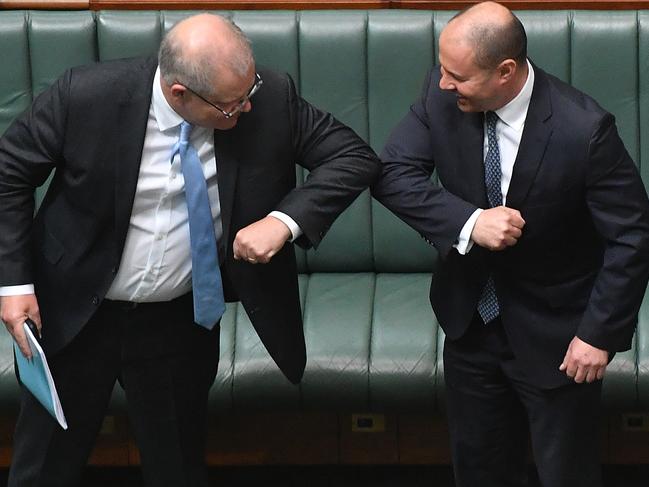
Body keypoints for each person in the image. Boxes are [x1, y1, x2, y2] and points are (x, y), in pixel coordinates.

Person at [0, 13, 380, 487]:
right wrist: (14, 284)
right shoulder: (86, 94)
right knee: (44, 469)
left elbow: (354, 157)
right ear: (179, 93)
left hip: (177, 323)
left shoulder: (268, 99)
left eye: (249, 91)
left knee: (176, 468)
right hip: (73, 311)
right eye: (229, 105)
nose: (244, 110)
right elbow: (8, 173)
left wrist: (282, 222)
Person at [371, 2, 649, 486]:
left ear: (505, 71)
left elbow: (631, 235)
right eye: (442, 69)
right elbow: (391, 173)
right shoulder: (442, 98)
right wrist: (469, 221)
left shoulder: (584, 129)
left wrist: (598, 335)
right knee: (480, 472)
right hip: (469, 326)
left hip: (559, 337)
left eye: (457, 75)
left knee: (566, 475)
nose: (443, 83)